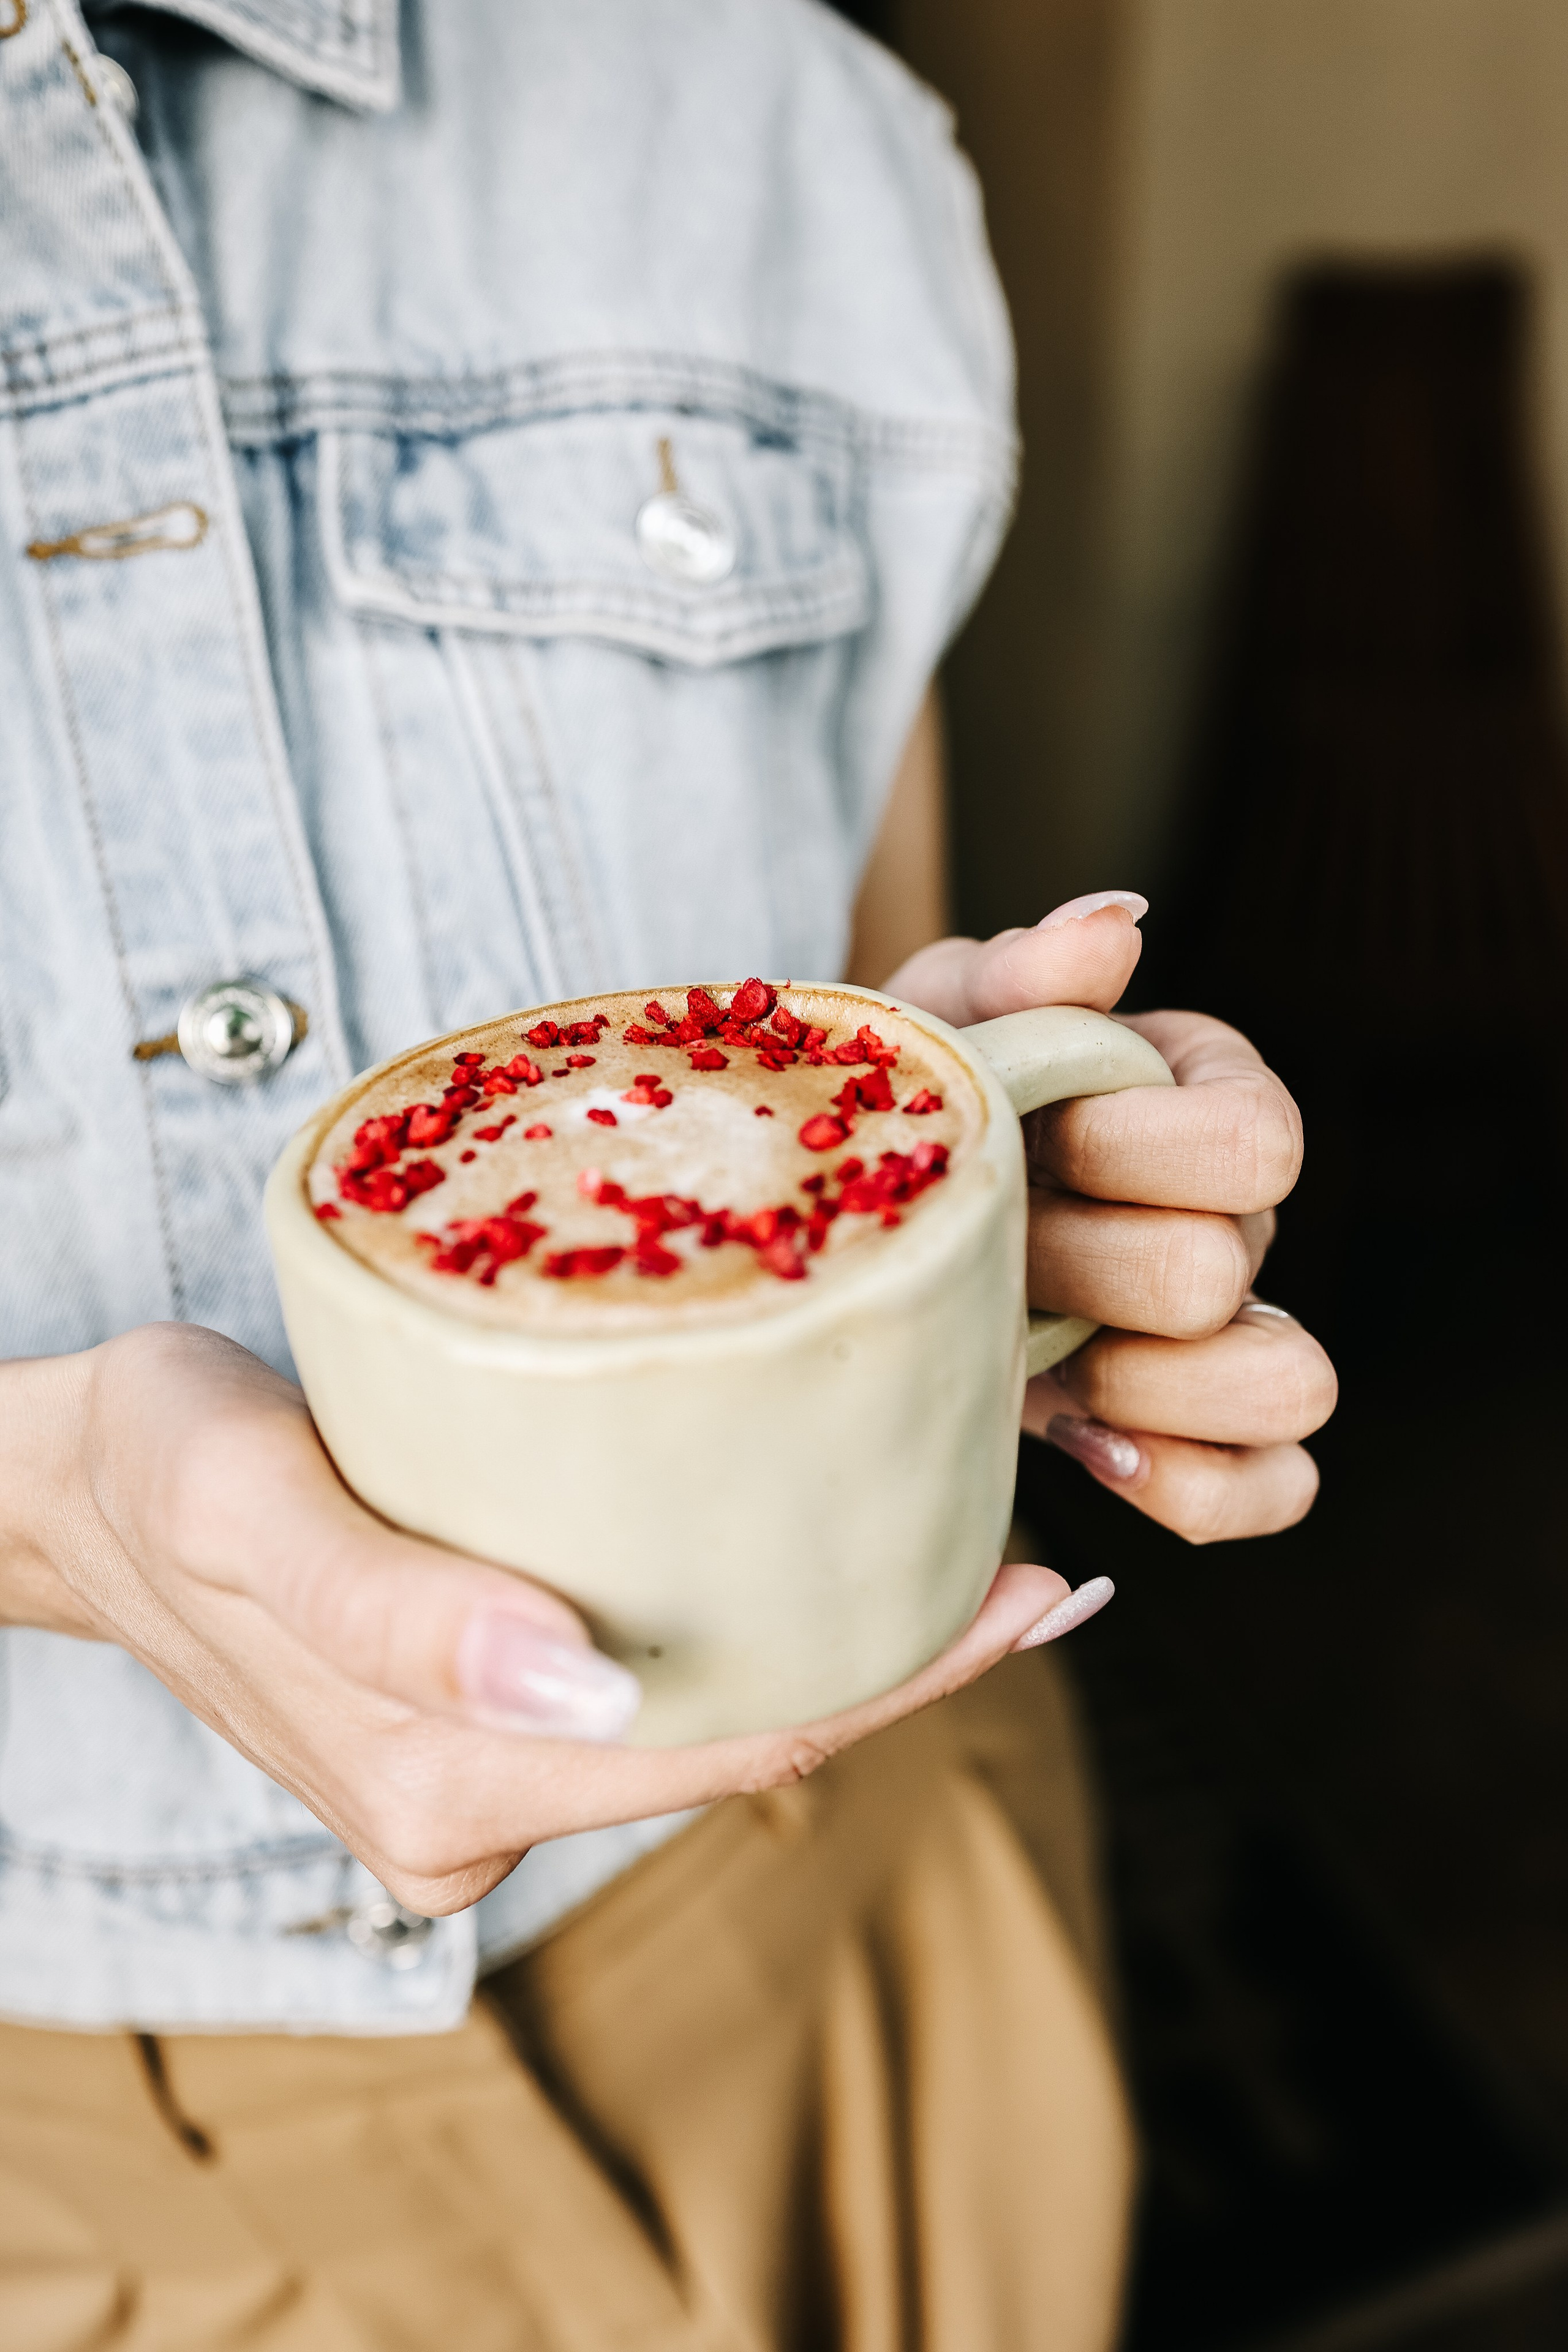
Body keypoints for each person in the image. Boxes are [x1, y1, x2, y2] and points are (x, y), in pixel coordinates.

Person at [0, 1, 1336, 2344]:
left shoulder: (770, 123)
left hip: (868, 1889)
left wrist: (1031, 1198)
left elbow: (875, 985)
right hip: (77, 2132)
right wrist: (47, 1512)